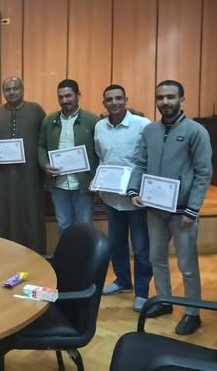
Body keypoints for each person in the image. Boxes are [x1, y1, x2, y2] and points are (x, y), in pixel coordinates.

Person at [127, 80, 212, 335]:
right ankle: (164, 301)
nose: (165, 102)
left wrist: (192, 209)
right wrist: (134, 190)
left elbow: (203, 173)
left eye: (170, 97)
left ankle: (193, 313)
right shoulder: (150, 131)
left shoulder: (196, 131)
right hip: (155, 209)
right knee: (157, 259)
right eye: (160, 97)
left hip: (183, 212)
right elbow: (140, 164)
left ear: (181, 99)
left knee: (187, 265)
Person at [94, 85, 153, 312]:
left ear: (126, 99)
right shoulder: (99, 127)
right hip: (111, 198)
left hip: (136, 199)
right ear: (104, 103)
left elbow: (147, 159)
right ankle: (123, 282)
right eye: (109, 99)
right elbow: (101, 157)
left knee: (141, 249)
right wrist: (100, 183)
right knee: (116, 245)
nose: (114, 103)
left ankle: (142, 292)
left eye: (118, 98)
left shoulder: (142, 124)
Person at [0, 77, 47, 253]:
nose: (11, 92)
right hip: (3, 179)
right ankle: (3, 256)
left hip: (29, 177)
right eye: (7, 89)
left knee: (30, 216)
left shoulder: (36, 110)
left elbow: (45, 141)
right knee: (3, 216)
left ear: (22, 89)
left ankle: (34, 256)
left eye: (15, 88)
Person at [37, 79, 99, 234]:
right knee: (63, 225)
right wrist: (45, 164)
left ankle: (84, 252)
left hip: (83, 184)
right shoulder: (49, 120)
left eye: (68, 96)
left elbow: (100, 152)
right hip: (58, 185)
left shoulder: (92, 121)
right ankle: (68, 251)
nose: (64, 100)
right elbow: (41, 146)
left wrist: (96, 179)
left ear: (78, 95)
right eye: (60, 97)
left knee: (84, 226)